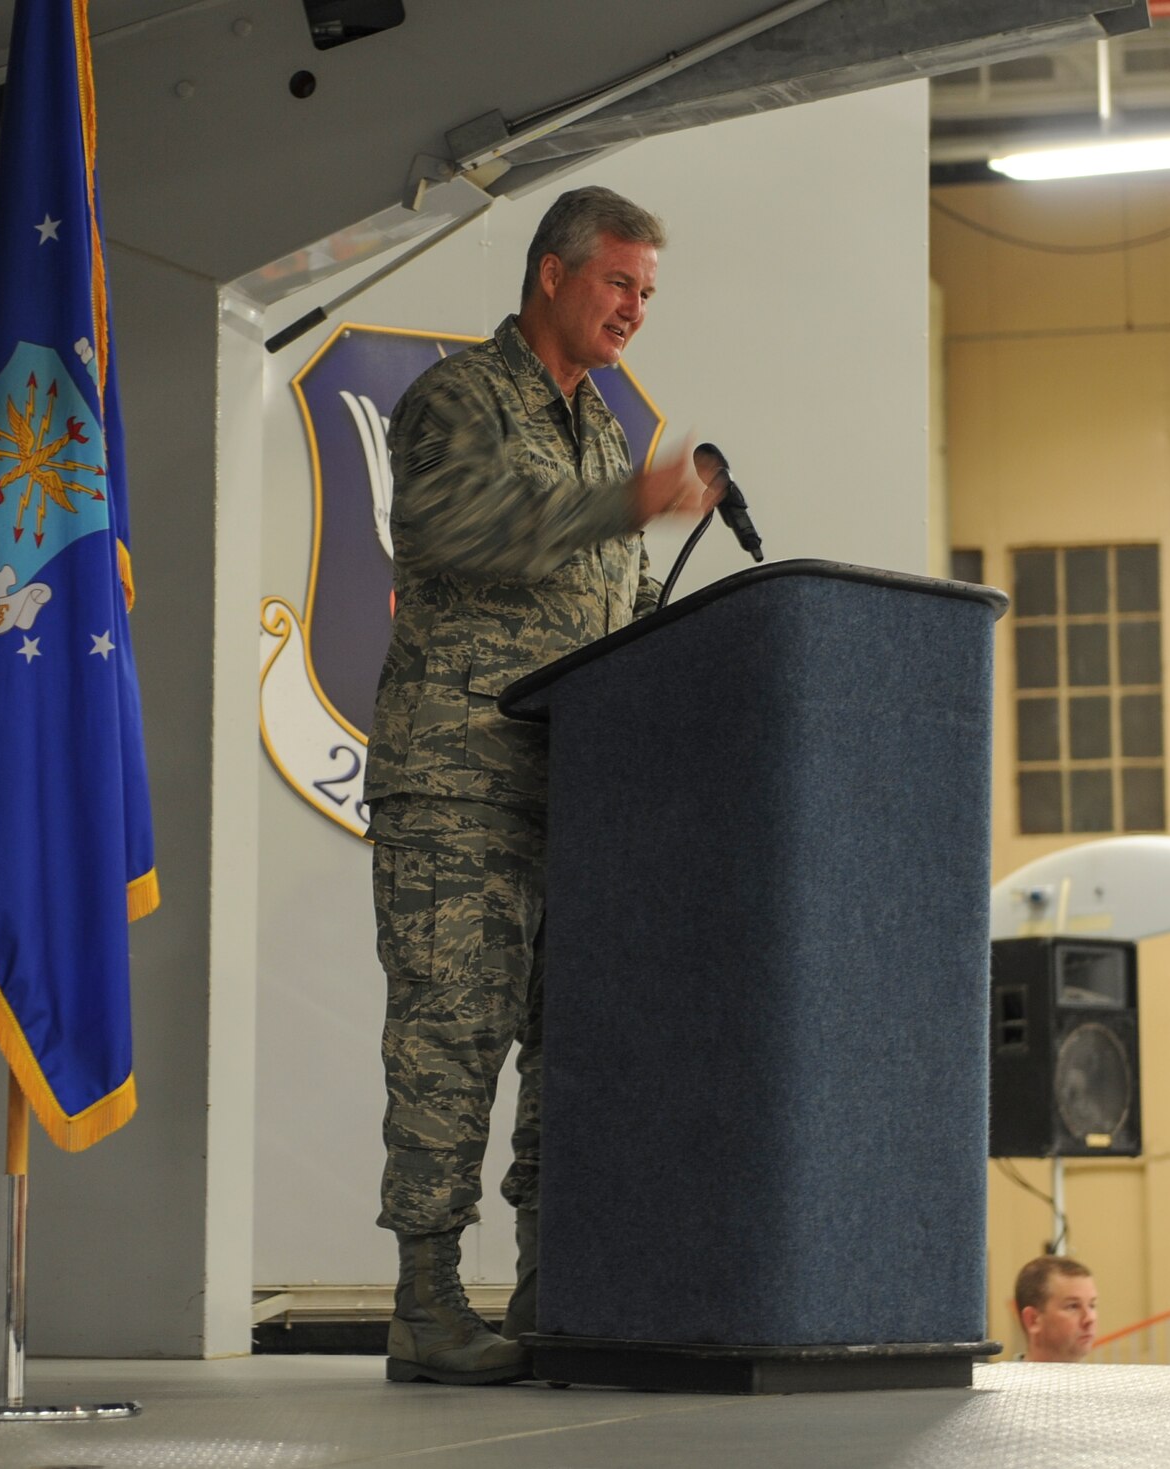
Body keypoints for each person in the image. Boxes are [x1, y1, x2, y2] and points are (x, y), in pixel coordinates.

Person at [363, 185, 724, 1387]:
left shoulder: (606, 431)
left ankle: (549, 1277)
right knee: (450, 1034)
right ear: (553, 275)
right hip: (457, 777)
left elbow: (607, 606)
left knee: (567, 1045)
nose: (634, 308)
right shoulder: (458, 400)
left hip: (574, 790)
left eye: (646, 292)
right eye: (619, 282)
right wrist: (626, 503)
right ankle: (425, 1302)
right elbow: (455, 529)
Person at [1015, 1254, 1100, 1363]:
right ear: (1033, 1320)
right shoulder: (1004, 1380)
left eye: (1092, 1305)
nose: (1089, 1319)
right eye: (1073, 1306)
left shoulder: (1100, 1379)